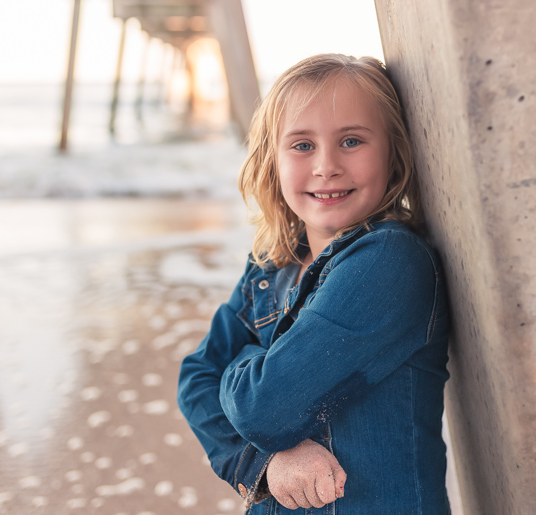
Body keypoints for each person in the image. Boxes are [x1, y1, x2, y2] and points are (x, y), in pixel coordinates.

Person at [177, 53, 451, 514]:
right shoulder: (271, 265)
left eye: (351, 141)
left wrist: (242, 361)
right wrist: (264, 460)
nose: (326, 166)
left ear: (393, 150)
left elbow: (266, 407)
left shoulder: (389, 262)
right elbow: (194, 379)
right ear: (272, 160)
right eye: (302, 145)